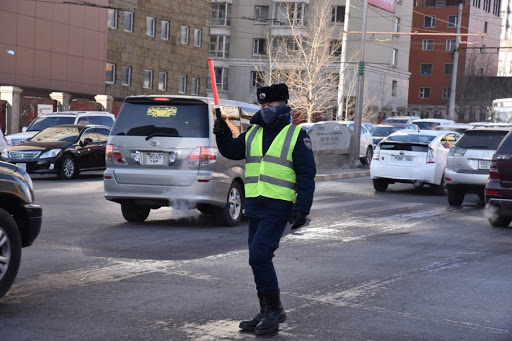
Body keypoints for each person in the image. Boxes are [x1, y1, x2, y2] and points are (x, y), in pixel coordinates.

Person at [213, 83, 316, 335]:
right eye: (263, 106)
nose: (266, 109)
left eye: (270, 105)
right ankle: (266, 309)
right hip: (256, 204)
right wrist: (222, 133)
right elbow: (232, 150)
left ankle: (274, 310)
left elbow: (306, 173)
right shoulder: (253, 132)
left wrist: (302, 208)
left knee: (259, 255)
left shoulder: (296, 135)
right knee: (257, 257)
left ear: (283, 105)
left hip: (278, 206)